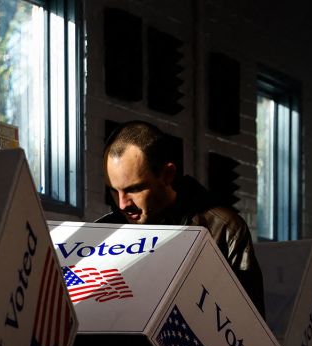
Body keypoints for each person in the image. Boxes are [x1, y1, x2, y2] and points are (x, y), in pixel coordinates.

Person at [98, 120, 265, 319]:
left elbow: (250, 326)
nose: (122, 204)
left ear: (168, 174)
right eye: (113, 190)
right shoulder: (104, 232)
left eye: (134, 189)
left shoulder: (225, 229)